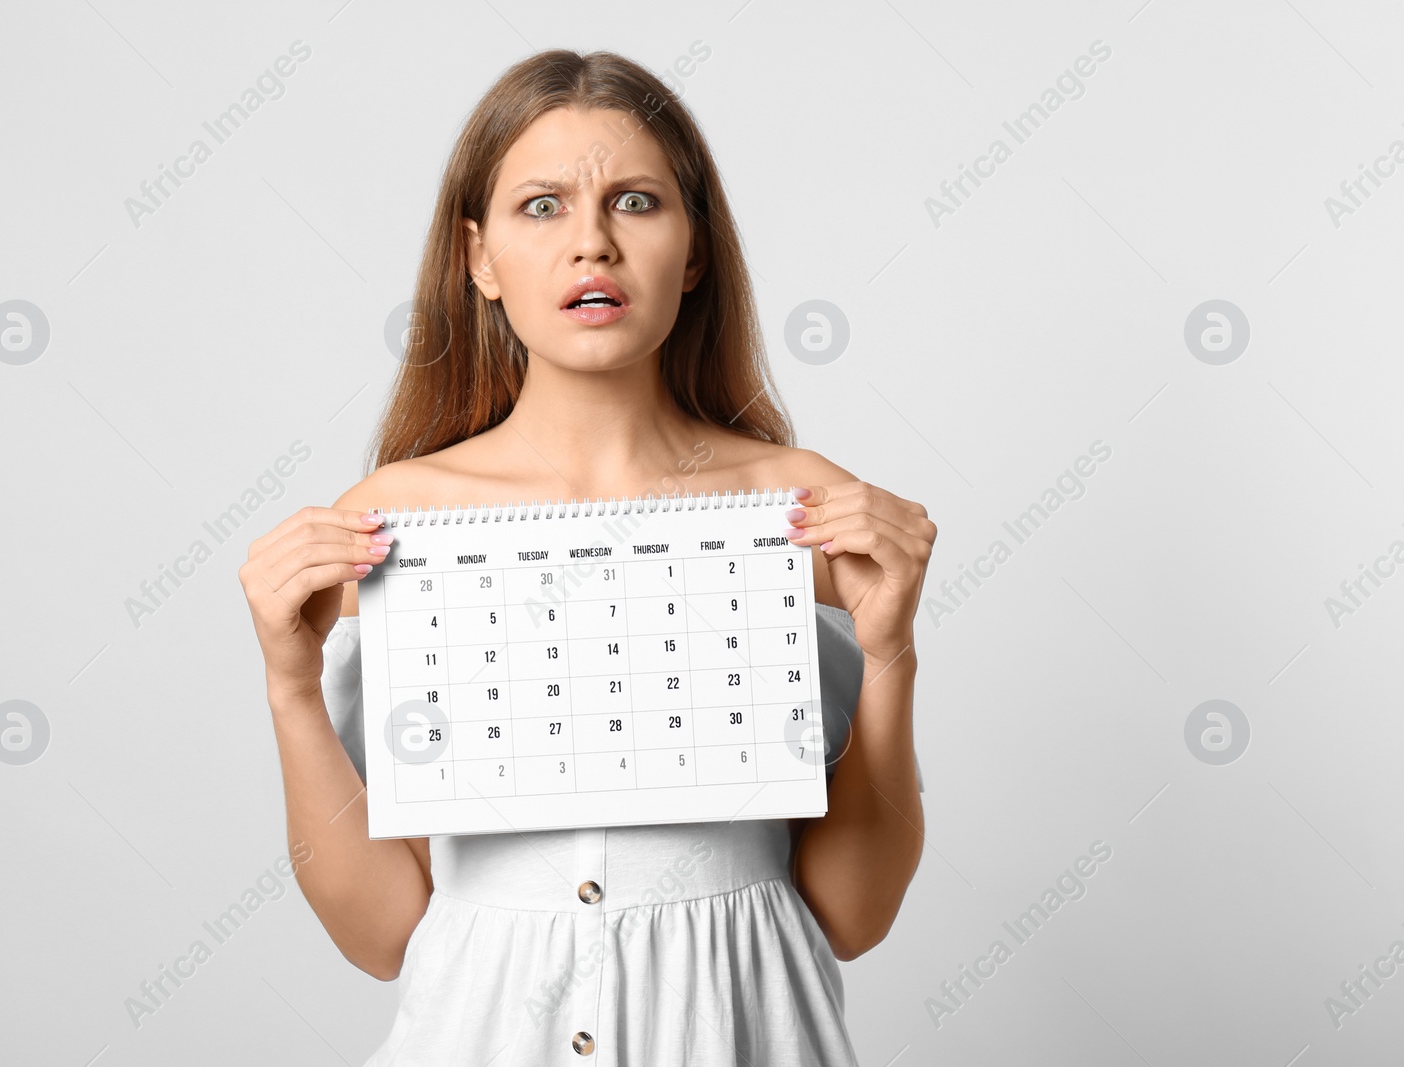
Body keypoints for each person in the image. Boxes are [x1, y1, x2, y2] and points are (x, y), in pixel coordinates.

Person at [239, 48, 933, 1065]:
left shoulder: (797, 508)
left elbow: (851, 913)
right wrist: (290, 685)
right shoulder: (396, 524)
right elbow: (381, 932)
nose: (591, 244)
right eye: (541, 206)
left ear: (693, 250)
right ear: (477, 258)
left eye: (637, 201)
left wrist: (891, 655)